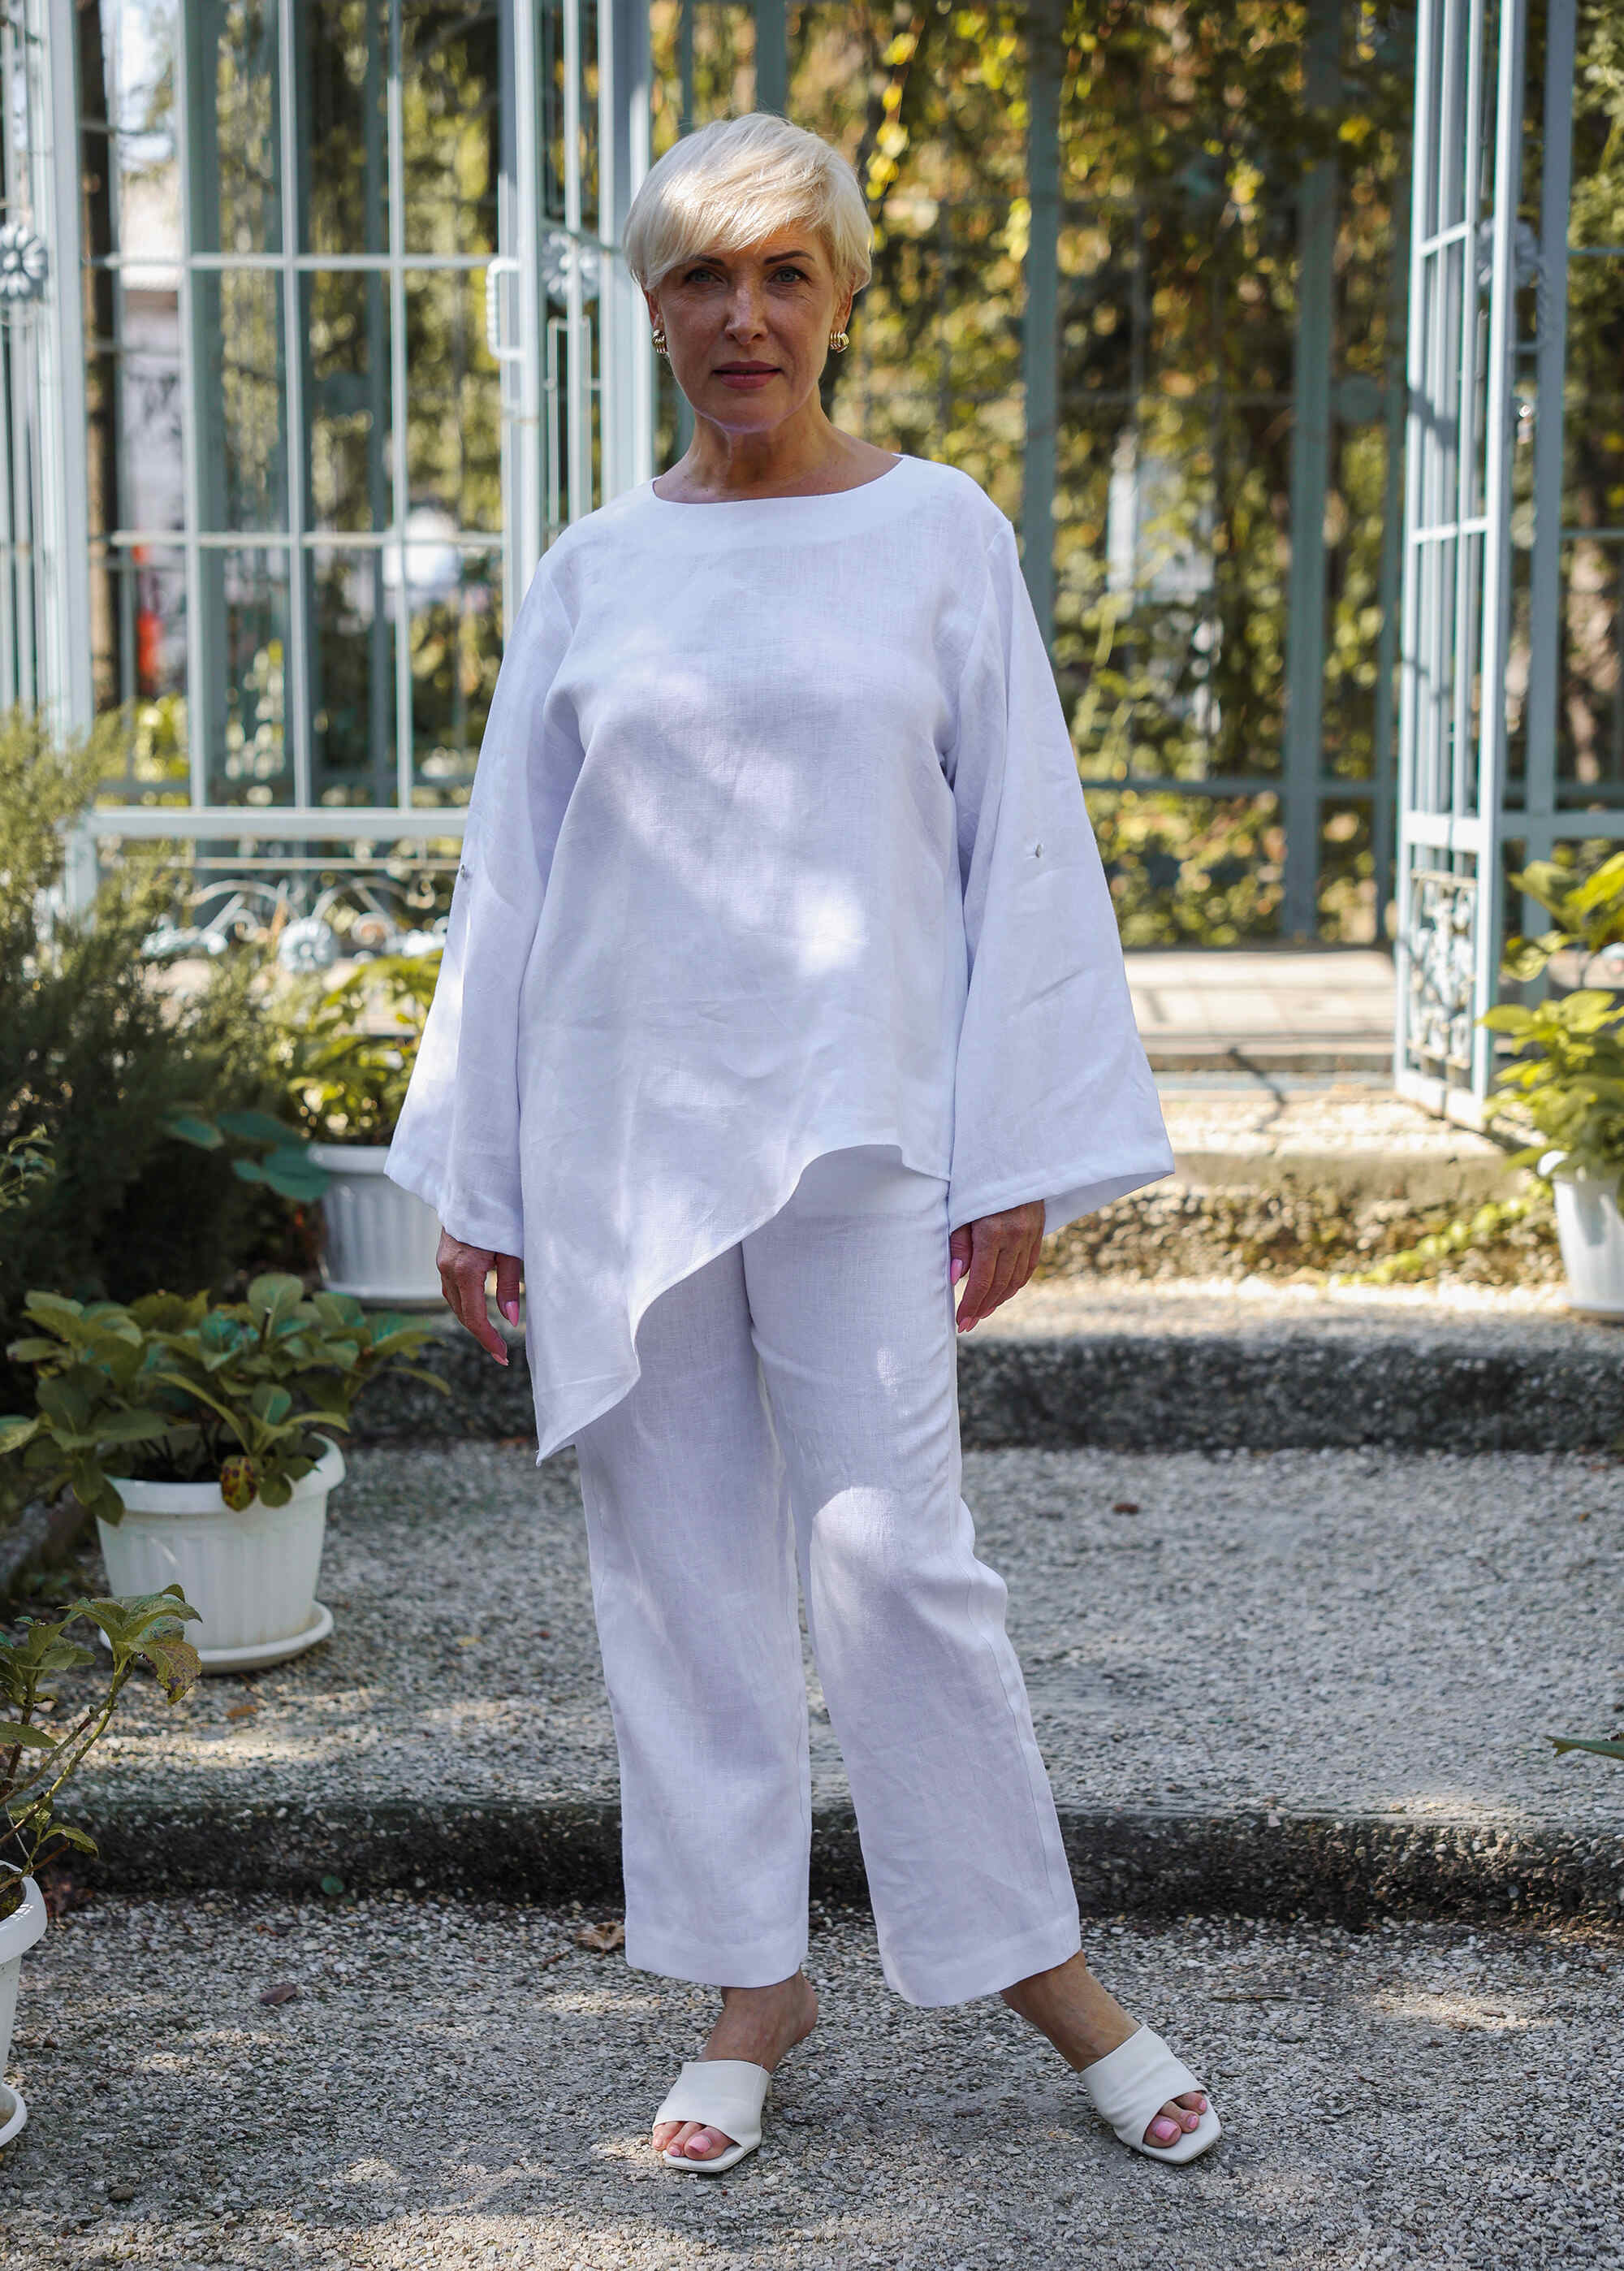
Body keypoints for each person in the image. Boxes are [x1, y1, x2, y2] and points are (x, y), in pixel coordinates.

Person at [387, 110, 1220, 2176]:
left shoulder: (939, 532)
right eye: (701, 276)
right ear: (653, 308)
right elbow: (513, 880)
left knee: (895, 1565)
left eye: (783, 272)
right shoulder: (595, 569)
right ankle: (748, 1985)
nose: (742, 315)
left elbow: (1020, 847)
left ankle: (1044, 1971)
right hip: (620, 1142)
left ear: (845, 295)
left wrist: (1011, 1147)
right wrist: (481, 1183)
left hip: (859, 1133)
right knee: (676, 1581)